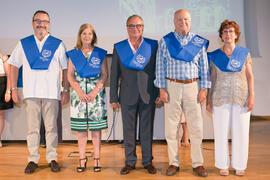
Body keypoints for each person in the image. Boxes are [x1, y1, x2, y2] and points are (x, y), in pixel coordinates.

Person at [8, 10, 70, 174]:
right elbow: (13, 65)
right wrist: (13, 88)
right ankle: (33, 159)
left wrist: (66, 90)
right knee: (32, 129)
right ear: (33, 23)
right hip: (31, 93)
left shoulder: (57, 44)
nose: (41, 24)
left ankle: (52, 158)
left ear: (49, 24)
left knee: (51, 129)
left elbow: (65, 69)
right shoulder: (24, 43)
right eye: (38, 21)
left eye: (45, 21)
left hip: (52, 93)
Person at [154, 9, 211, 177]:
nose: (183, 22)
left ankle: (198, 164)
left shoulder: (198, 42)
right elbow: (160, 66)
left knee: (196, 126)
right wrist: (161, 88)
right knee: (171, 127)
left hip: (193, 86)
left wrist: (204, 89)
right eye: (179, 19)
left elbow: (204, 67)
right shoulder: (165, 41)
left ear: (190, 21)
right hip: (172, 86)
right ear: (174, 21)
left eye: (186, 19)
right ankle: (173, 163)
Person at [110, 15, 159, 175]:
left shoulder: (152, 45)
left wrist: (159, 91)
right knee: (128, 130)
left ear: (143, 27)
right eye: (132, 26)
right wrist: (113, 97)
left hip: (148, 94)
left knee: (147, 129)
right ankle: (130, 162)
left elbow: (157, 71)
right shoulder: (119, 47)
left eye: (138, 26)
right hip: (127, 94)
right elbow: (114, 73)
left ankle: (147, 161)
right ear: (127, 28)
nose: (135, 28)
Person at [207, 20, 254, 176]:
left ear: (236, 35)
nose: (228, 34)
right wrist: (208, 100)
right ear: (221, 35)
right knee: (220, 132)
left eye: (231, 31)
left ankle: (240, 164)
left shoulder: (244, 53)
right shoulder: (215, 55)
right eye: (225, 31)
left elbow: (249, 76)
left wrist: (252, 96)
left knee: (241, 132)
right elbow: (212, 79)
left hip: (241, 96)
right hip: (220, 97)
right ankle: (223, 164)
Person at [67, 24, 108, 173]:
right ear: (80, 35)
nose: (87, 36)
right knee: (81, 131)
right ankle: (82, 159)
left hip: (95, 97)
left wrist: (94, 92)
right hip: (78, 97)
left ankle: (97, 158)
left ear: (93, 36)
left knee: (96, 131)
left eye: (89, 34)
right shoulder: (74, 54)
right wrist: (79, 92)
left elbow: (104, 74)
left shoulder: (99, 53)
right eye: (84, 33)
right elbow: (70, 75)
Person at [0, 52, 13, 148]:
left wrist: (8, 91)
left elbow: (9, 76)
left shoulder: (4, 57)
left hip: (2, 84)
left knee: (0, 114)